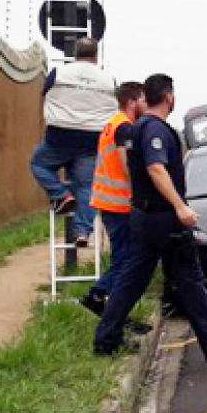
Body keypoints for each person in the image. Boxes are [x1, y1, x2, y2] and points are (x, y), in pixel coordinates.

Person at [93, 74, 207, 363]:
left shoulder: (136, 127)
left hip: (145, 216)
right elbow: (156, 169)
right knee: (187, 277)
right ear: (168, 96)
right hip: (163, 219)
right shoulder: (155, 130)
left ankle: (107, 338)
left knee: (136, 279)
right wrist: (180, 206)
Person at [30, 37, 116, 247]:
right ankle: (83, 232)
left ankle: (61, 195)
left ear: (75, 54)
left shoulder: (59, 73)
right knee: (87, 185)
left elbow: (44, 93)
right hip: (92, 138)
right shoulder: (108, 79)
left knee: (39, 164)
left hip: (60, 135)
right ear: (96, 55)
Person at [80, 82, 149, 332]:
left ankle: (114, 313)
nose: (145, 103)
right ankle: (99, 296)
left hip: (110, 202)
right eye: (142, 99)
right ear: (132, 101)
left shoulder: (113, 124)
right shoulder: (124, 128)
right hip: (119, 203)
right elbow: (128, 165)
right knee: (126, 260)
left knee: (124, 258)